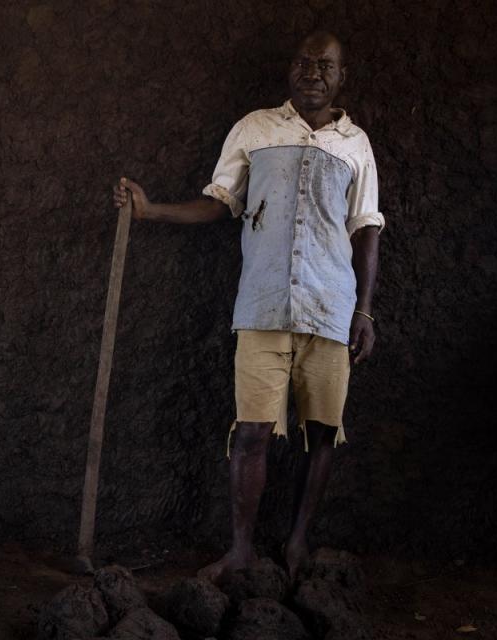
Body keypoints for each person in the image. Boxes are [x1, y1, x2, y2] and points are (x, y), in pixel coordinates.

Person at [112, 31, 384, 583]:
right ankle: (240, 551)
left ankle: (298, 543)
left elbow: (367, 231)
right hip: (261, 306)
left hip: (332, 307)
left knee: (322, 432)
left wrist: (365, 313)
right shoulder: (255, 128)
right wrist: (150, 212)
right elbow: (219, 203)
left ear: (342, 76)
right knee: (254, 431)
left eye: (325, 65)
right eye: (304, 63)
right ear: (290, 70)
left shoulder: (356, 144)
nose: (313, 73)